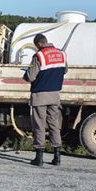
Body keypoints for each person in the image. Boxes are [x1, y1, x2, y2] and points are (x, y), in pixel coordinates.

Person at [23, 34, 67, 166]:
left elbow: (30, 76)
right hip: (55, 95)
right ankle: (57, 157)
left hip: (40, 95)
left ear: (39, 44)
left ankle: (39, 158)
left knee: (39, 125)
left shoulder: (39, 56)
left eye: (37, 46)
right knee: (54, 124)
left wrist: (26, 74)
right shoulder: (62, 54)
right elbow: (64, 71)